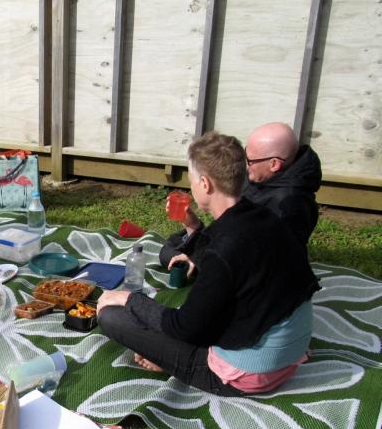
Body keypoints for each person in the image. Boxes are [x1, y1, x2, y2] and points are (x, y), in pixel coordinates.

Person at [97, 131, 319, 396]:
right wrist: (193, 229)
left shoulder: (224, 249)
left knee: (110, 316)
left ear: (205, 183)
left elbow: (185, 328)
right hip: (287, 350)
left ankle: (175, 362)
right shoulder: (266, 217)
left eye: (191, 180)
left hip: (249, 373)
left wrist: (129, 300)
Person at [159, 122, 322, 268]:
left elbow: (256, 261)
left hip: (250, 268)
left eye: (250, 161)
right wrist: (193, 226)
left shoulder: (289, 205)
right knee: (172, 250)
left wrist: (199, 255)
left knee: (174, 258)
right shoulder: (264, 177)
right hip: (233, 245)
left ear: (274, 164)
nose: (246, 166)